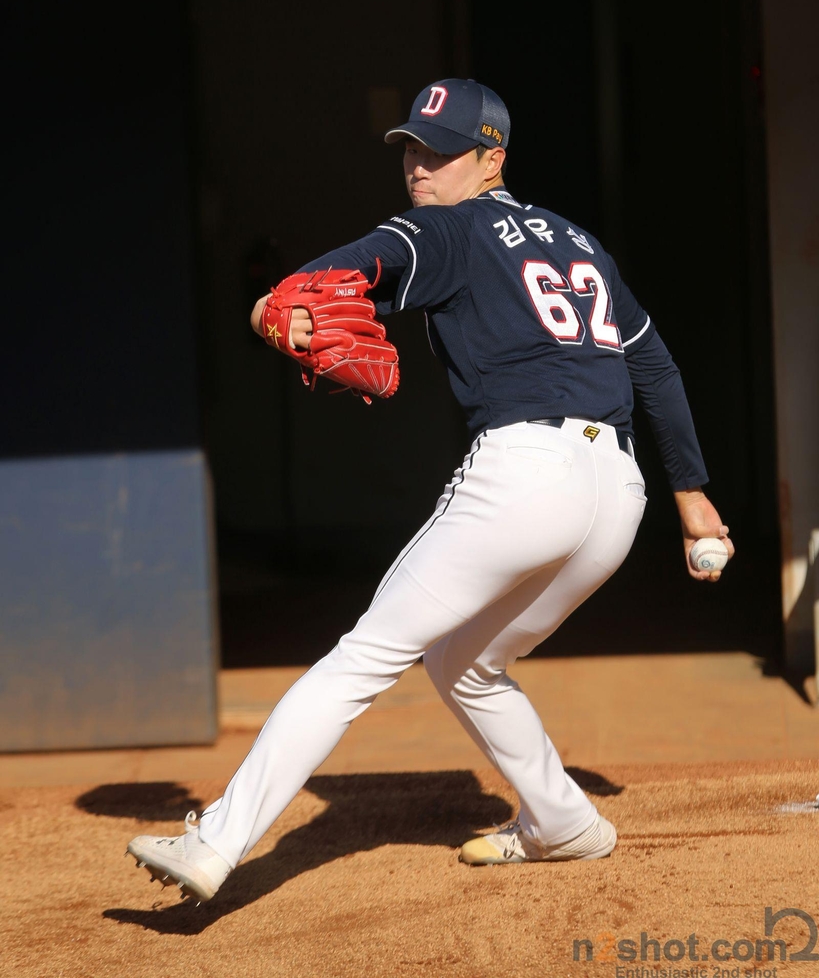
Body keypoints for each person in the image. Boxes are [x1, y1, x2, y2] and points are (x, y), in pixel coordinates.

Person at [126, 79, 734, 901]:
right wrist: (690, 494)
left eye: (441, 149)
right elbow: (650, 364)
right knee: (468, 660)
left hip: (524, 472)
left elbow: (337, 274)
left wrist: (273, 304)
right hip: (615, 492)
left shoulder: (443, 229)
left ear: (492, 159)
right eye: (412, 145)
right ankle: (562, 822)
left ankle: (217, 841)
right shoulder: (578, 242)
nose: (419, 164)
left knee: (361, 658)